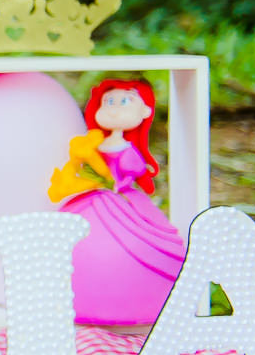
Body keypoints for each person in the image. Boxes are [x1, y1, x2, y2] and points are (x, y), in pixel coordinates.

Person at [47, 79, 187, 326]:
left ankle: (137, 302)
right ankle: (79, 301)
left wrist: (111, 181)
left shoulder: (127, 147)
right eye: (108, 102)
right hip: (95, 195)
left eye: (124, 102)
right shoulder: (97, 142)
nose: (114, 108)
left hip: (120, 197)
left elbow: (131, 168)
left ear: (145, 111)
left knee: (135, 243)